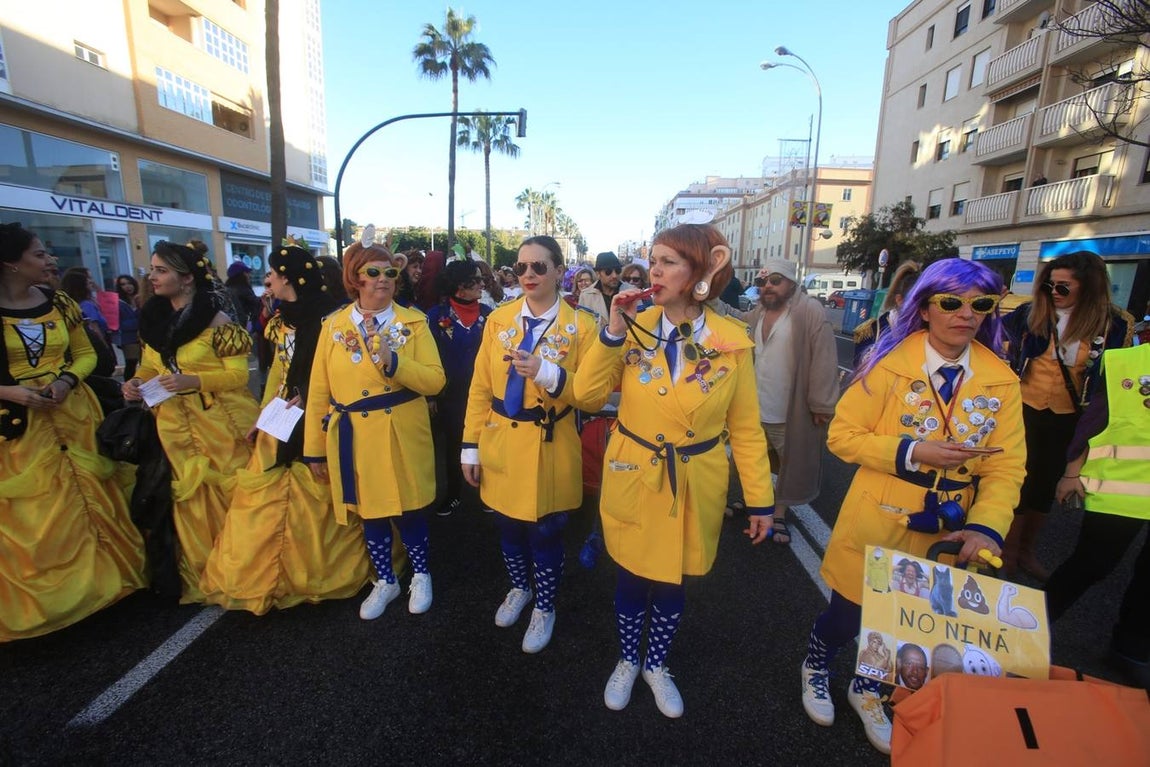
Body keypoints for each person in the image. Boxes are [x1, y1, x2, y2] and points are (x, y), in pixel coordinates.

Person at [800, 258, 1025, 754]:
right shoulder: (887, 365)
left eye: (981, 305)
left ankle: (869, 688)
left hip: (949, 527)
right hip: (881, 513)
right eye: (952, 302)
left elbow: (1007, 468)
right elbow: (842, 436)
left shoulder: (1001, 381)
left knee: (909, 624)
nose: (966, 314)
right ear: (925, 308)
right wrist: (913, 450)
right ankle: (816, 665)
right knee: (848, 614)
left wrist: (987, 527)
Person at [574, 223, 774, 719]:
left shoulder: (733, 342)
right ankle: (628, 658)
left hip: (694, 479)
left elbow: (746, 430)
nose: (653, 272)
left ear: (701, 272)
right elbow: (587, 396)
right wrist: (612, 332)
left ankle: (656, 663)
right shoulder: (632, 325)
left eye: (668, 262)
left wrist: (760, 501)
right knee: (630, 577)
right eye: (653, 261)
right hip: (634, 471)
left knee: (672, 582)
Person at [200, 246, 372, 614]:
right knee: (267, 497)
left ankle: (321, 572)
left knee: (322, 489)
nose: (268, 281)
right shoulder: (280, 322)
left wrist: (310, 397)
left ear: (289, 278)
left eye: (272, 275)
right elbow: (279, 372)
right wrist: (263, 416)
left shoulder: (332, 319)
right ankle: (270, 575)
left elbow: (346, 371)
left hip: (321, 416)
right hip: (283, 419)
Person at [1, 222, 145, 641]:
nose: (49, 260)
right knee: (33, 512)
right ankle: (49, 601)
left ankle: (104, 584)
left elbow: (85, 354)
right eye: (38, 254)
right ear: (11, 263)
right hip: (18, 429)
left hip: (72, 414)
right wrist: (11, 392)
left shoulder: (58, 302)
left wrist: (65, 382)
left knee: (90, 495)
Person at [462, 235, 605, 655]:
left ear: (560, 271)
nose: (528, 274)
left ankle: (545, 605)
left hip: (551, 442)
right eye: (521, 266)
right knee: (507, 525)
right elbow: (480, 388)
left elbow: (592, 397)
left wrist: (547, 373)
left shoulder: (583, 327)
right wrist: (470, 445)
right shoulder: (498, 320)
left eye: (539, 266)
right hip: (502, 438)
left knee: (547, 532)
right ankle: (519, 587)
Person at [303, 227, 445, 621]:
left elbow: (436, 380)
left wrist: (395, 362)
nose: (383, 279)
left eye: (390, 273)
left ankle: (421, 574)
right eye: (373, 272)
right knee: (371, 511)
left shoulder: (414, 323)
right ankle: (386, 579)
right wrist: (314, 448)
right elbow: (319, 389)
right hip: (355, 433)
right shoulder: (333, 326)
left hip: (401, 429)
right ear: (355, 277)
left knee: (410, 509)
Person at [122, 240, 260, 603]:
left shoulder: (219, 321)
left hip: (221, 423)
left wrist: (193, 380)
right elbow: (149, 366)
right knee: (190, 500)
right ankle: (206, 568)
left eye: (161, 270)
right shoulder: (153, 320)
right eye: (153, 270)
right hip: (173, 427)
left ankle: (243, 569)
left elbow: (238, 376)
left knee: (231, 494)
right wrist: (135, 382)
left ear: (186, 279)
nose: (152, 277)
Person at [1002, 251, 1133, 581]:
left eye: (1063, 287)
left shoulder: (1114, 326)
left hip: (1070, 417)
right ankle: (1008, 553)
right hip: (1022, 410)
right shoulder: (1028, 314)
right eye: (1049, 285)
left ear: (1088, 288)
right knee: (1017, 481)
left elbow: (1111, 381)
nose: (1053, 292)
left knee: (1046, 486)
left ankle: (1027, 552)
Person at [1044, 343, 1150, 689]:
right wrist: (1071, 473)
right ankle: (1029, 628)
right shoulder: (1123, 362)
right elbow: (1093, 423)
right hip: (1122, 489)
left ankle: (1130, 650)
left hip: (1126, 488)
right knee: (1090, 565)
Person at [726, 259, 839, 543]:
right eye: (762, 282)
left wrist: (821, 403)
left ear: (791, 283)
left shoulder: (809, 311)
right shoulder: (759, 313)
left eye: (775, 281)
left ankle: (778, 513)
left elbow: (824, 358)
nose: (768, 286)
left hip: (790, 409)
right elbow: (734, 319)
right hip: (755, 407)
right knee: (750, 459)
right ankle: (751, 501)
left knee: (790, 464)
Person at [426, 260, 491, 517]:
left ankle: (489, 493)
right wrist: (431, 396)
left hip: (485, 394)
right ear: (460, 286)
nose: (482, 284)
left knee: (487, 442)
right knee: (453, 445)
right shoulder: (436, 316)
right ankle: (453, 493)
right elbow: (427, 357)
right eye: (477, 279)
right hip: (450, 396)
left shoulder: (490, 315)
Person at [854, 260, 921, 367]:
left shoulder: (930, 333)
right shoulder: (872, 331)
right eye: (915, 303)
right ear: (899, 300)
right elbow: (859, 371)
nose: (921, 309)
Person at [578, 251, 624, 326]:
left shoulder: (631, 292)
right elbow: (582, 326)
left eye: (618, 270)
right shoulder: (586, 296)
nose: (614, 275)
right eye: (608, 272)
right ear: (598, 274)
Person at [115, 275, 142, 380]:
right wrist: (137, 323)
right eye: (123, 284)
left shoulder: (140, 298)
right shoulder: (118, 303)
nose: (127, 286)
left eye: (129, 283)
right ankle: (128, 385)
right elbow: (117, 324)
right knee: (131, 363)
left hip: (143, 336)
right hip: (128, 338)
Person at [225, 261, 261, 333]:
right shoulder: (242, 289)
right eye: (246, 273)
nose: (249, 275)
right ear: (240, 275)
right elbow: (257, 303)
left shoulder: (227, 289)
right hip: (245, 328)